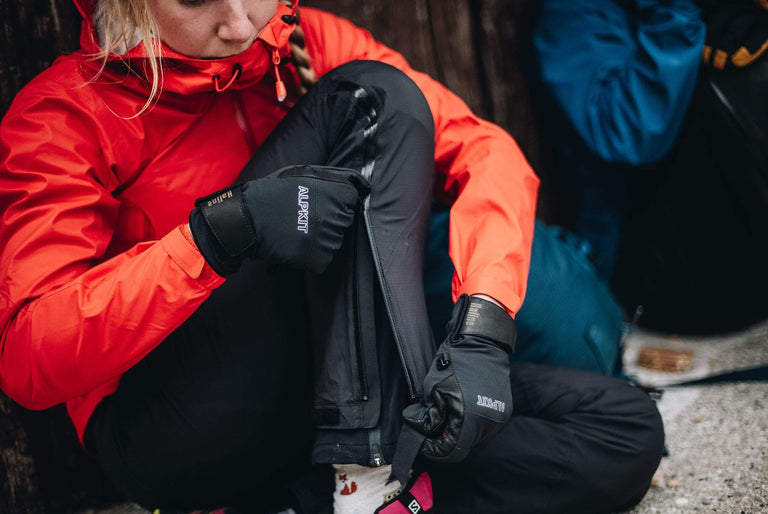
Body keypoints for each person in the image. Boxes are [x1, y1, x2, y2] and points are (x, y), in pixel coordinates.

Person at [0, 1, 664, 512]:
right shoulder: (66, 113)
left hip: (328, 391)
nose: (237, 22)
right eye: (198, 0)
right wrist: (213, 239)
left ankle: (324, 495)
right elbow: (28, 353)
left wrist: (481, 330)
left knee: (621, 430)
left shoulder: (301, 42)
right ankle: (370, 474)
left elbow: (482, 149)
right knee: (375, 94)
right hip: (177, 426)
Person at [533, 0, 768, 334]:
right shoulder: (573, 14)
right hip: (654, 271)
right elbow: (628, 134)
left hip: (736, 245)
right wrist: (677, 15)